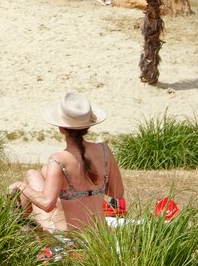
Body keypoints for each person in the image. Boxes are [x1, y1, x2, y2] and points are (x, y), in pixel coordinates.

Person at [7, 93, 124, 235]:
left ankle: (12, 228)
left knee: (30, 177)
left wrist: (20, 185)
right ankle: (16, 224)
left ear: (61, 128)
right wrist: (91, 188)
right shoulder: (104, 150)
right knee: (35, 173)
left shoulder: (58, 160)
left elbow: (47, 204)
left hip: (65, 238)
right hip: (97, 236)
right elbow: (117, 193)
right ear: (88, 127)